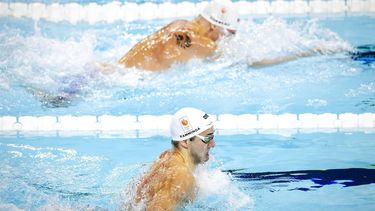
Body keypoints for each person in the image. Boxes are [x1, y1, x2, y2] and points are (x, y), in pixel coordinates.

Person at [129, 107, 216, 210]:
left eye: (212, 137)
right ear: (184, 142)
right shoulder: (182, 177)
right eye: (207, 138)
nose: (213, 144)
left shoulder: (167, 156)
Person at [115, 0, 239, 71]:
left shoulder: (179, 23)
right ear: (213, 26)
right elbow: (237, 60)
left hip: (114, 70)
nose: (225, 39)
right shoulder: (206, 45)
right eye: (228, 34)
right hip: (126, 80)